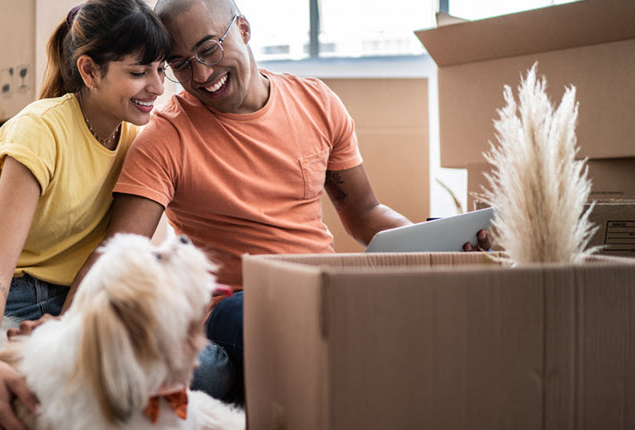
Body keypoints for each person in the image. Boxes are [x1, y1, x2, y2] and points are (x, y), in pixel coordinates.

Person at [24, 0, 491, 406]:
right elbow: (119, 251)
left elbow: (365, 213)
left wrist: (435, 247)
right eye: (181, 64)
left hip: (324, 293)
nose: (201, 75)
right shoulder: (165, 136)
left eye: (208, 49)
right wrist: (61, 337)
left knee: (405, 318)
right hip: (234, 311)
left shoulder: (316, 102)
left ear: (243, 30)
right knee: (245, 324)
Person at [0, 1, 169, 428]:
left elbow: (115, 255)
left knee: (176, 368)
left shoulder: (136, 139)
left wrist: (68, 320)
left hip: (69, 297)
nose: (157, 86)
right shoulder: (40, 130)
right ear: (89, 71)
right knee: (33, 389)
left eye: (161, 69)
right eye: (139, 72)